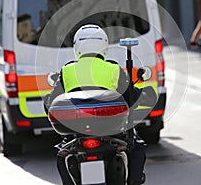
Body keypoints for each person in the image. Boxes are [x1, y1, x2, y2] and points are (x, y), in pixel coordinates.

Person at [44, 24, 157, 185]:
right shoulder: (113, 69)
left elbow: (52, 101)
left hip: (76, 132)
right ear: (104, 45)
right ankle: (134, 181)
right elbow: (130, 96)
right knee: (137, 146)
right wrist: (145, 95)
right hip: (112, 131)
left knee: (62, 152)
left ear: (77, 47)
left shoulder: (67, 71)